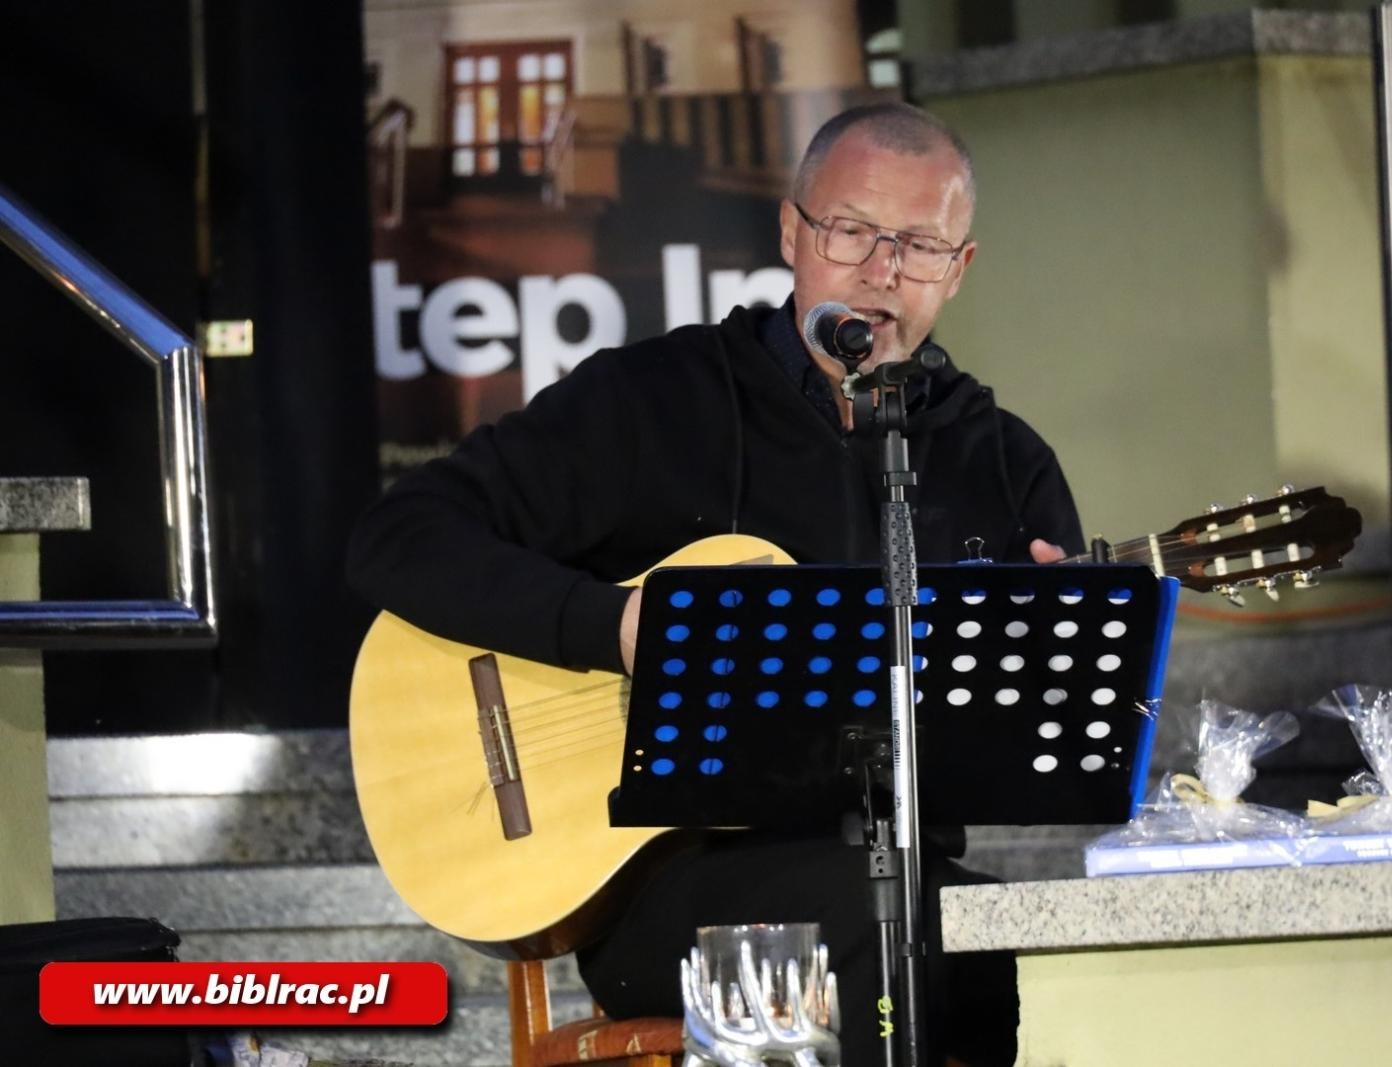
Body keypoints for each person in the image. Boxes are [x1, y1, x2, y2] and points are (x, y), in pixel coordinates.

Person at [348, 102, 1085, 1065]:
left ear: (960, 267)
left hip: (901, 876)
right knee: (872, 936)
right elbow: (397, 536)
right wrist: (610, 628)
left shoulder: (1003, 463)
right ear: (791, 232)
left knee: (1004, 933)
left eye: (919, 245)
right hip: (666, 898)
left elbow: (1036, 754)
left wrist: (1041, 657)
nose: (881, 272)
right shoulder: (653, 402)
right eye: (852, 232)